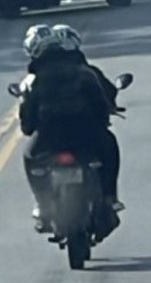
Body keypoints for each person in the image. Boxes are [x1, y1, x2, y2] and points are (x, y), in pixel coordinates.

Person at [19, 24, 124, 232]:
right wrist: (101, 121)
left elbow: (27, 122)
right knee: (110, 146)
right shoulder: (84, 73)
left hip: (49, 137)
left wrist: (30, 127)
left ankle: (42, 204)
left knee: (28, 156)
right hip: (86, 133)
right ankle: (110, 196)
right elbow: (101, 104)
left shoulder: (33, 81)